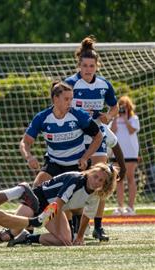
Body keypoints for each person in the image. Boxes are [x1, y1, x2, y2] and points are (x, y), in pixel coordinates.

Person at [65, 36, 119, 241]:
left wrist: (109, 116)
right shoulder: (70, 83)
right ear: (79, 65)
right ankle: (74, 224)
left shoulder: (104, 85)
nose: (88, 69)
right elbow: (61, 105)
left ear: (97, 66)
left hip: (98, 135)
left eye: (92, 66)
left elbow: (114, 107)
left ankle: (98, 225)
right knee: (75, 178)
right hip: (76, 137)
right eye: (85, 65)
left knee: (102, 178)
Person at [2, 163, 117, 247]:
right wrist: (44, 222)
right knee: (8, 234)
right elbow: (57, 204)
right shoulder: (76, 180)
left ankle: (27, 238)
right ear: (90, 173)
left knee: (65, 241)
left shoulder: (96, 194)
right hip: (41, 201)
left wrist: (79, 237)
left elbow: (87, 215)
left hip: (54, 208)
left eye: (101, 180)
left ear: (105, 184)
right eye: (95, 176)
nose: (96, 181)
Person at [20, 81, 103, 187]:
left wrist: (85, 158)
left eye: (71, 99)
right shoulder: (42, 118)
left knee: (76, 198)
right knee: (37, 188)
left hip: (77, 165)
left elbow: (98, 136)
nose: (70, 103)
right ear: (55, 98)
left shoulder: (79, 115)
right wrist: (29, 157)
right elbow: (24, 142)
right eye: (66, 99)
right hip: (54, 163)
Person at [111, 96, 140, 216]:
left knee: (130, 177)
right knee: (119, 179)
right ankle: (120, 206)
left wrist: (125, 119)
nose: (123, 109)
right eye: (121, 106)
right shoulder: (115, 119)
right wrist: (115, 118)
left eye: (125, 106)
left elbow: (132, 130)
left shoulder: (133, 118)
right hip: (117, 153)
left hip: (131, 152)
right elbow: (111, 131)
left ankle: (131, 207)